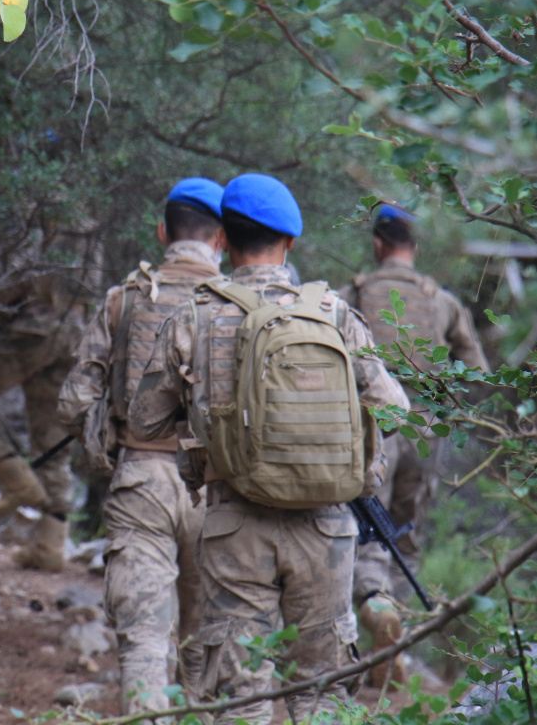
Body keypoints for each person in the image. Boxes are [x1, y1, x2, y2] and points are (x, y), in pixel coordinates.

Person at [128, 174, 409, 725]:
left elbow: (145, 418)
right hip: (328, 527)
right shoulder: (336, 315)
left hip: (236, 523)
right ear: (292, 243)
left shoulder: (196, 317)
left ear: (223, 242)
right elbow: (395, 411)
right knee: (321, 690)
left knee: (241, 692)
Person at [58, 178, 226, 715]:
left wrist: (103, 447)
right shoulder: (238, 306)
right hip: (220, 496)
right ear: (222, 239)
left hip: (141, 483)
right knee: (207, 649)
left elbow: (72, 402)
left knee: (145, 643)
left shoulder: (122, 301)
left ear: (162, 233)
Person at [339, 203, 488, 683]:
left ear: (378, 244)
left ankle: (374, 609)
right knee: (407, 535)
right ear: (414, 247)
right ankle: (397, 648)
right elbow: (477, 371)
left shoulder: (353, 296)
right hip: (425, 432)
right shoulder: (440, 301)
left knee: (367, 531)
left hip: (371, 431)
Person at [0, 213, 101, 571]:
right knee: (52, 444)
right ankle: (49, 548)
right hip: (76, 335)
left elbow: (24, 269)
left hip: (36, 329)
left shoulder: (45, 204)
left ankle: (19, 484)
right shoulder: (91, 221)